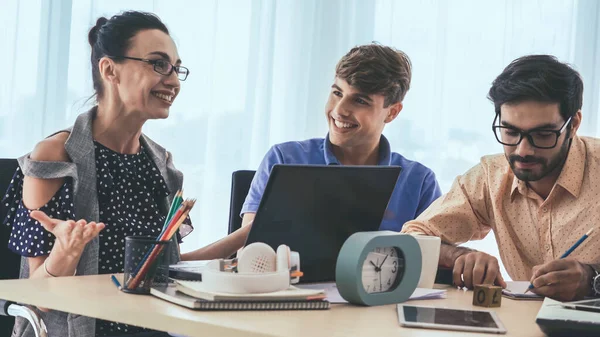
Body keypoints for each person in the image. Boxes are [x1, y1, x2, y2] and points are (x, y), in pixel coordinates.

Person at [1, 11, 192, 337]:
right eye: (159, 64)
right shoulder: (55, 157)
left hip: (153, 328)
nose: (173, 80)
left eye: (176, 68)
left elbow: (161, 269)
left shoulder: (163, 165)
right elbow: (37, 296)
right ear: (109, 70)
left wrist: (244, 240)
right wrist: (64, 254)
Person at [186, 44, 442, 260]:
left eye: (360, 100)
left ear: (393, 112)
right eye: (337, 93)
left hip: (378, 310)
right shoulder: (284, 159)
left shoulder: (419, 182)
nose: (339, 110)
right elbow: (250, 252)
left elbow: (434, 260)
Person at [401, 55, 600, 301]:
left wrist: (592, 280)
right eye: (511, 132)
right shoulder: (490, 177)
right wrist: (459, 256)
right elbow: (412, 239)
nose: (523, 150)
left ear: (573, 125)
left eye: (543, 134)